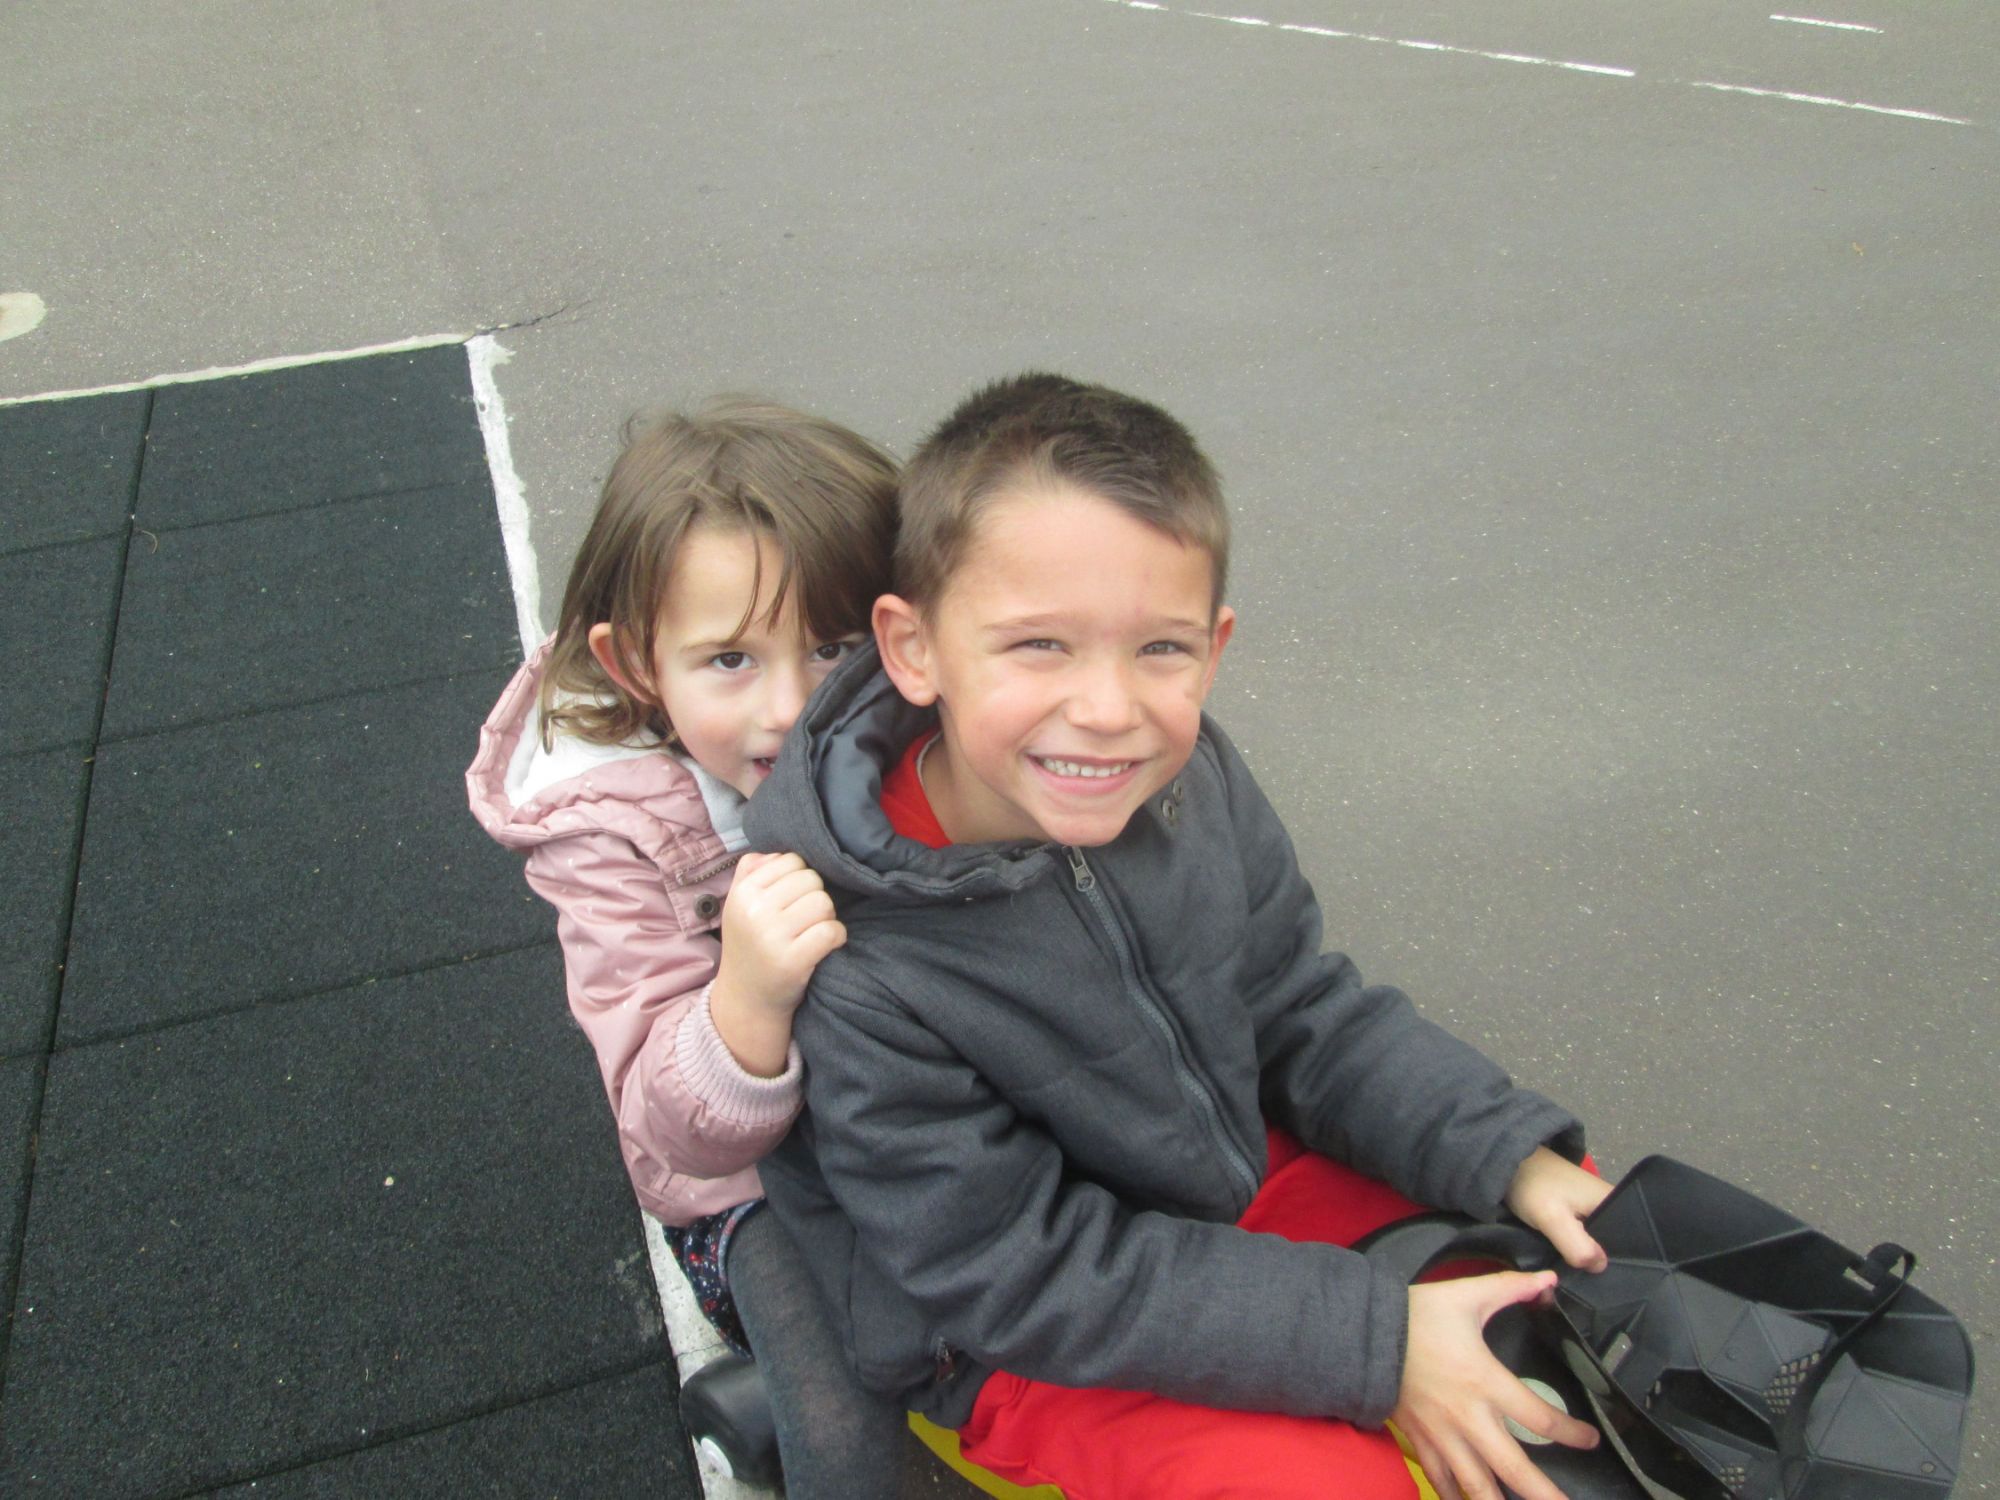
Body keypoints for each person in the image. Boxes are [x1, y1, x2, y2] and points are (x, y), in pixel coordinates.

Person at [745, 374, 1616, 1500]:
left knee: (1584, 1254)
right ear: (913, 650)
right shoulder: (854, 952)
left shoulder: (1186, 775)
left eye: (1159, 649)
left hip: (1231, 1176)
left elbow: (1299, 1009)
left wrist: (1504, 1149)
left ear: (1214, 646)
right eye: (1039, 645)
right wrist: (1376, 1342)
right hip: (1023, 1339)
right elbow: (1016, 1268)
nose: (1108, 710)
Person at [466, 396, 935, 1498]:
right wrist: (747, 1002)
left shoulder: (906, 716)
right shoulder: (612, 834)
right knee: (849, 1434)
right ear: (635, 663)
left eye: (834, 647)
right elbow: (664, 1120)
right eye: (730, 659)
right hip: (753, 1186)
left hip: (916, 1106)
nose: (795, 706)